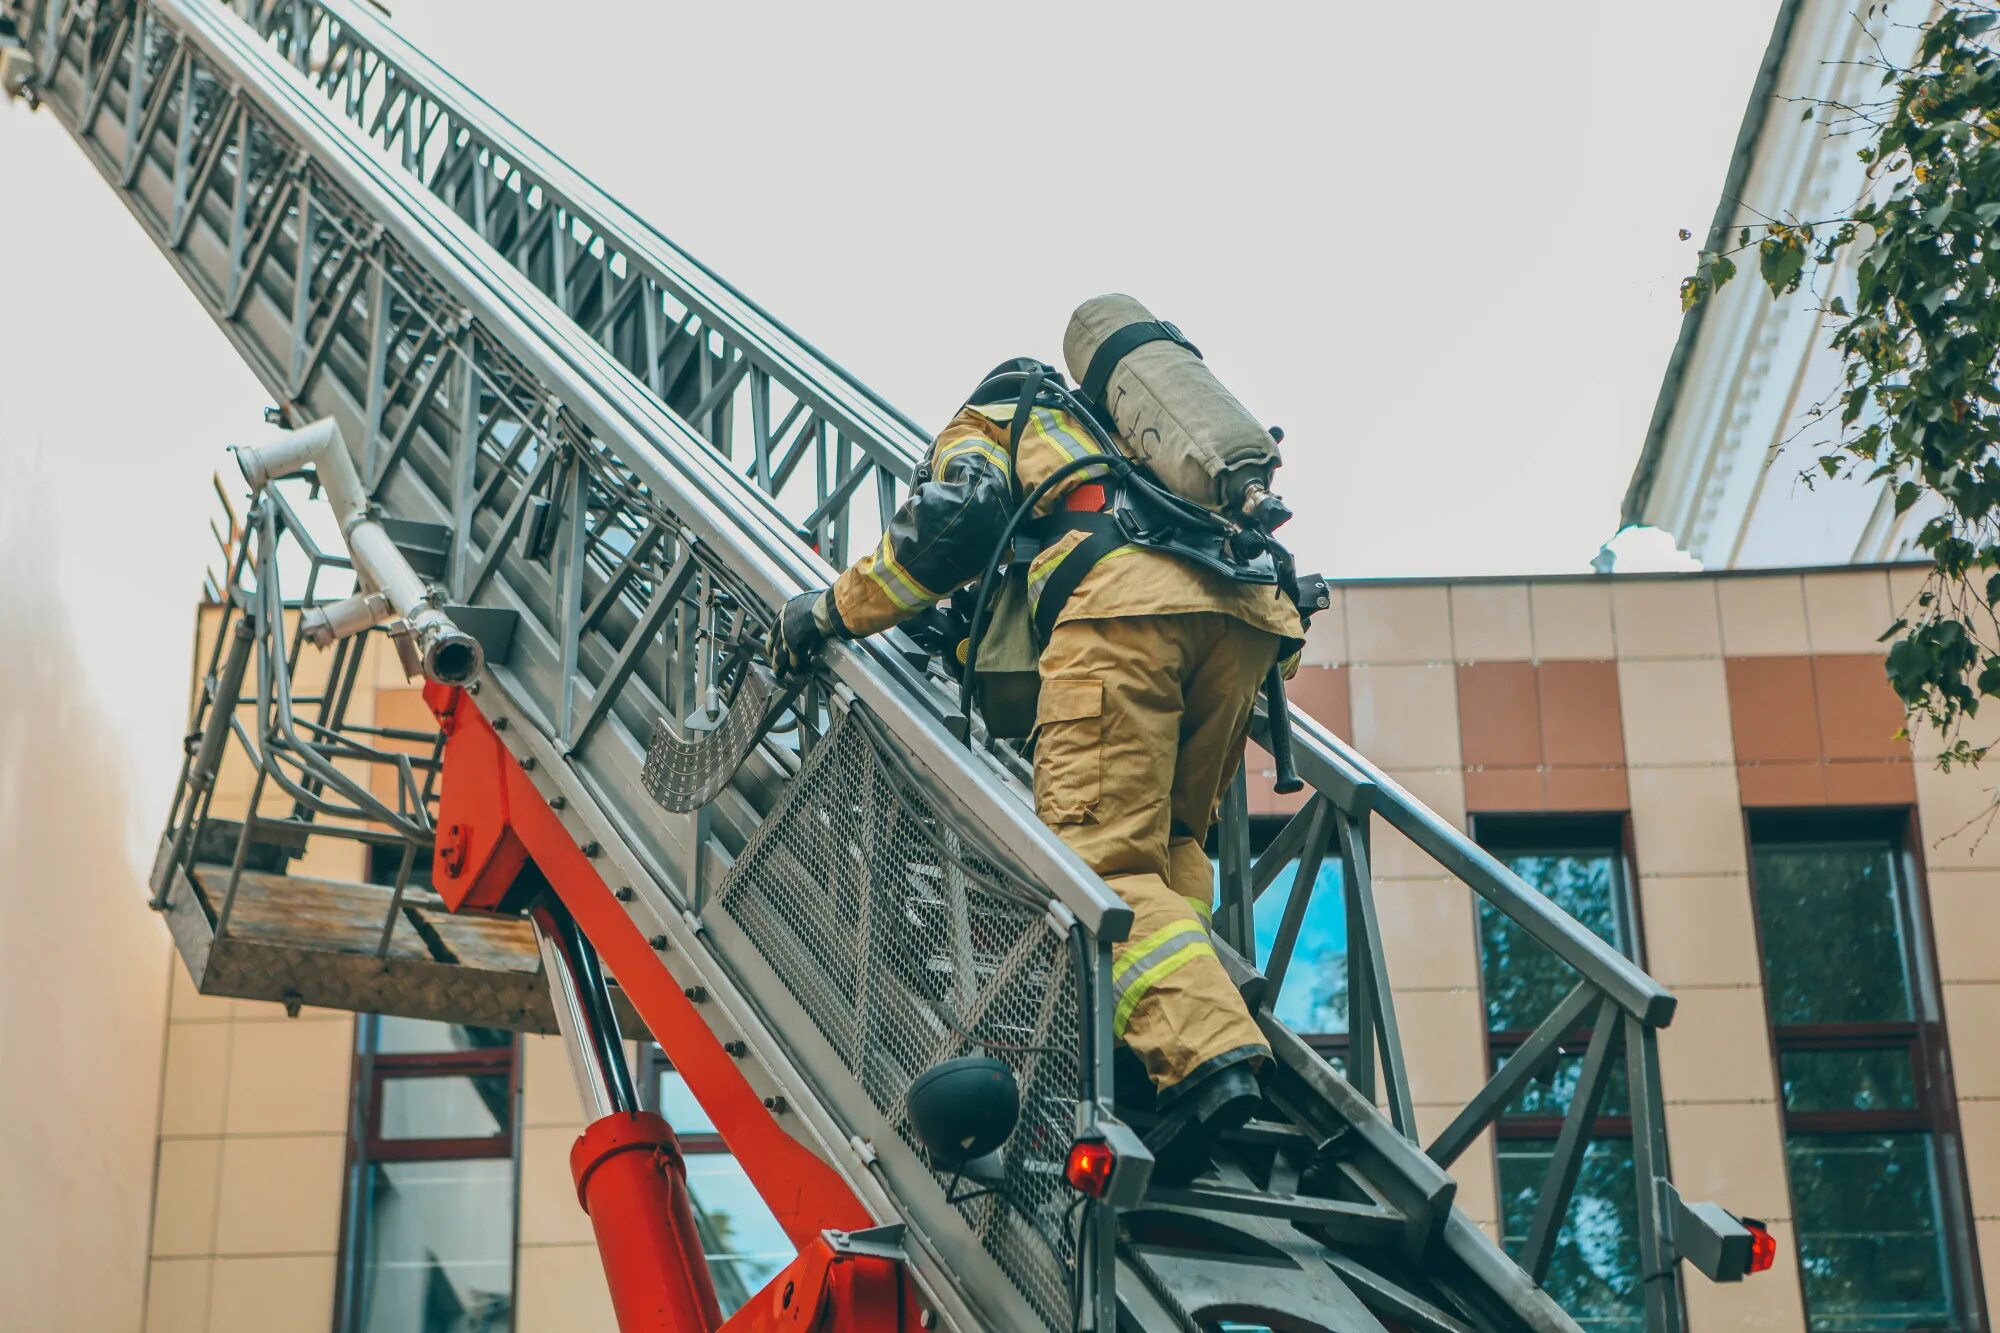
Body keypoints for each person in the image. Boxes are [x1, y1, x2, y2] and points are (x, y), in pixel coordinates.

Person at [766, 357, 1304, 1173]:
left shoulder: (994, 415)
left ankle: (1207, 1059)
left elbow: (959, 519)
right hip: (1246, 618)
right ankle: (1147, 1056)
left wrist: (835, 609)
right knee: (1168, 846)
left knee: (1097, 857)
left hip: (1127, 612)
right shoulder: (1127, 434)